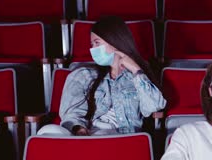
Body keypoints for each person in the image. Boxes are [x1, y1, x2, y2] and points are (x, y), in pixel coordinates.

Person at [38, 16, 166, 136]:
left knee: (105, 135)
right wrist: (80, 129)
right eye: (92, 45)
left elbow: (154, 106)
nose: (93, 49)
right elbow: (72, 114)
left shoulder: (137, 76)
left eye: (97, 43)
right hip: (90, 134)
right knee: (47, 130)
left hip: (125, 138)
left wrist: (135, 70)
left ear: (115, 41)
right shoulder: (84, 75)